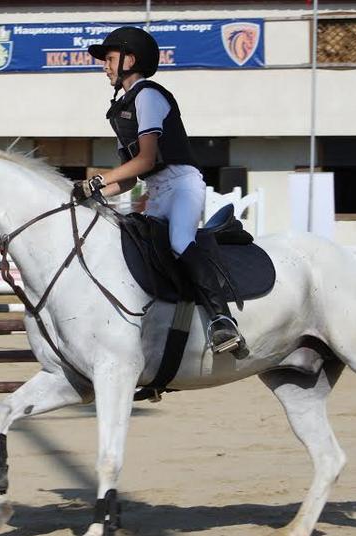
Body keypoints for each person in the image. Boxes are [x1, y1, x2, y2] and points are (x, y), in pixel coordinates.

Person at [78, 26, 247, 358]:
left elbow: (146, 159)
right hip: (156, 190)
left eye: (110, 59)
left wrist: (98, 180)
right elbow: (128, 180)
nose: (105, 66)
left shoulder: (148, 96)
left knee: (179, 241)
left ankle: (222, 319)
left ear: (132, 59)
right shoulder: (120, 111)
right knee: (140, 245)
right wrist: (93, 194)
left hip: (182, 184)